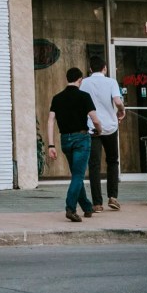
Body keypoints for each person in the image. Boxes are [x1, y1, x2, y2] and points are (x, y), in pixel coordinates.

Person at [47, 66, 104, 223]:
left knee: (76, 176)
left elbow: (51, 121)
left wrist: (51, 145)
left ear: (67, 79)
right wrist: (100, 130)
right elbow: (95, 119)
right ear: (80, 80)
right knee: (78, 175)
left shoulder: (57, 98)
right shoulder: (84, 96)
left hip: (65, 139)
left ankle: (86, 207)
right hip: (81, 139)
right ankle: (70, 208)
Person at [81, 55, 125, 213]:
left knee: (94, 165)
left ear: (90, 69)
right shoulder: (111, 82)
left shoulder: (84, 83)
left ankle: (97, 203)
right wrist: (121, 112)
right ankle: (113, 197)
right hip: (110, 127)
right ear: (104, 68)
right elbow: (118, 101)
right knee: (113, 161)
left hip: (92, 127)